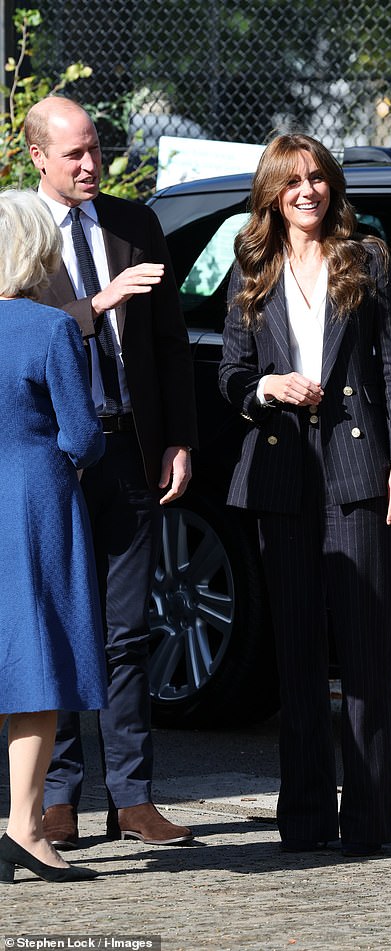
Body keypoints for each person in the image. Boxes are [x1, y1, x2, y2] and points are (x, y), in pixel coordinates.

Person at [218, 133, 391, 857]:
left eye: (319, 178)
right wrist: (267, 387)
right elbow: (231, 372)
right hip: (282, 474)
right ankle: (303, 821)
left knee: (365, 658)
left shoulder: (366, 259)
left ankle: (369, 821)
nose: (309, 190)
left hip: (359, 471)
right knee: (298, 658)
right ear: (272, 192)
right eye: (294, 180)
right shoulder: (253, 266)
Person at [24, 96, 198, 849]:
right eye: (73, 154)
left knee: (129, 629)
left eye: (95, 149)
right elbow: (16, 326)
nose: (90, 164)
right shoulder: (19, 233)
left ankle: (133, 795)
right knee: (59, 627)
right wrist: (96, 304)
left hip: (129, 447)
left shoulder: (136, 223)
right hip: (51, 453)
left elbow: (169, 343)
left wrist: (178, 439)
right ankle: (57, 794)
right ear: (37, 158)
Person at [0, 189, 106, 883]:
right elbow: (84, 434)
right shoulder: (49, 329)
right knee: (37, 666)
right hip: (35, 503)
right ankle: (26, 825)